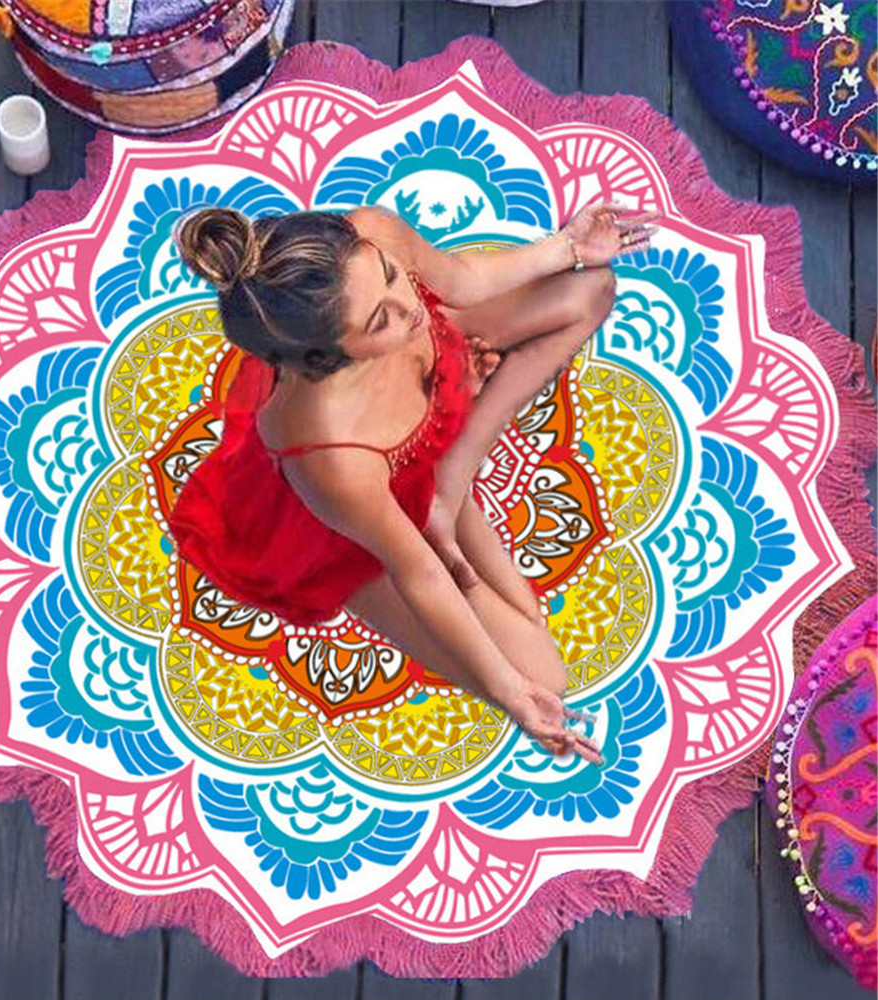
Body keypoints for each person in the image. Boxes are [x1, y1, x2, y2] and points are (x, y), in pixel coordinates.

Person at [170, 201, 660, 764]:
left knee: (590, 288)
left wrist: (568, 246)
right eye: (379, 320)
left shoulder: (370, 234)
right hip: (347, 533)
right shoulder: (326, 453)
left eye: (390, 275)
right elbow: (420, 574)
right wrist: (513, 694)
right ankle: (437, 509)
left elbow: (462, 280)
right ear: (325, 359)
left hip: (430, 421)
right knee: (545, 676)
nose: (411, 307)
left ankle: (450, 478)